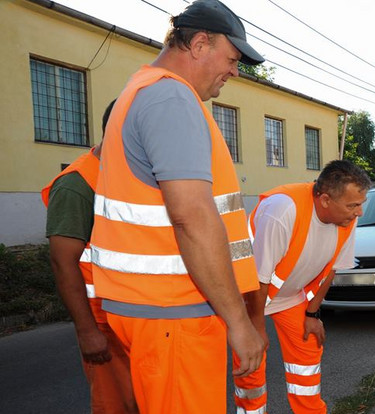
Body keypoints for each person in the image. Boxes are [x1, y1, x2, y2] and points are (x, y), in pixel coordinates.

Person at [88, 1, 266, 412]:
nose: (234, 71)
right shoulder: (170, 98)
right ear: (201, 43)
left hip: (160, 311)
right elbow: (192, 216)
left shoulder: (144, 91)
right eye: (233, 58)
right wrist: (240, 323)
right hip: (172, 315)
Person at [234, 160, 371, 414]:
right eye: (353, 205)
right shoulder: (282, 210)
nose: (359, 212)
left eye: (361, 204)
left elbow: (331, 270)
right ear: (326, 200)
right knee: (251, 362)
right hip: (249, 296)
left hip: (289, 297)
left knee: (307, 355)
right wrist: (256, 329)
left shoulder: (346, 220)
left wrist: (312, 314)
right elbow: (258, 279)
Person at [42, 99, 138, 414]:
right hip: (104, 324)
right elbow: (63, 261)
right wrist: (87, 332)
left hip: (141, 321)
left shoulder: (130, 175)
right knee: (116, 406)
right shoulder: (77, 184)